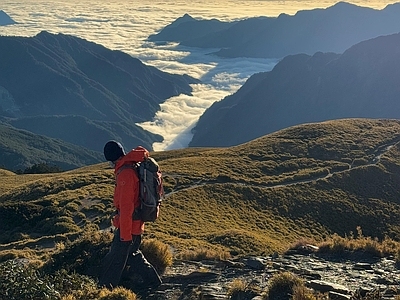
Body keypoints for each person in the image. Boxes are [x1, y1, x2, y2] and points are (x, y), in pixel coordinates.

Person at [99, 140, 162, 291]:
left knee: (116, 258)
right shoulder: (132, 166)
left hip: (128, 225)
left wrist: (124, 235)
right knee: (133, 254)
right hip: (135, 222)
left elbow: (127, 207)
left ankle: (105, 289)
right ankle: (153, 281)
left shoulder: (125, 174)